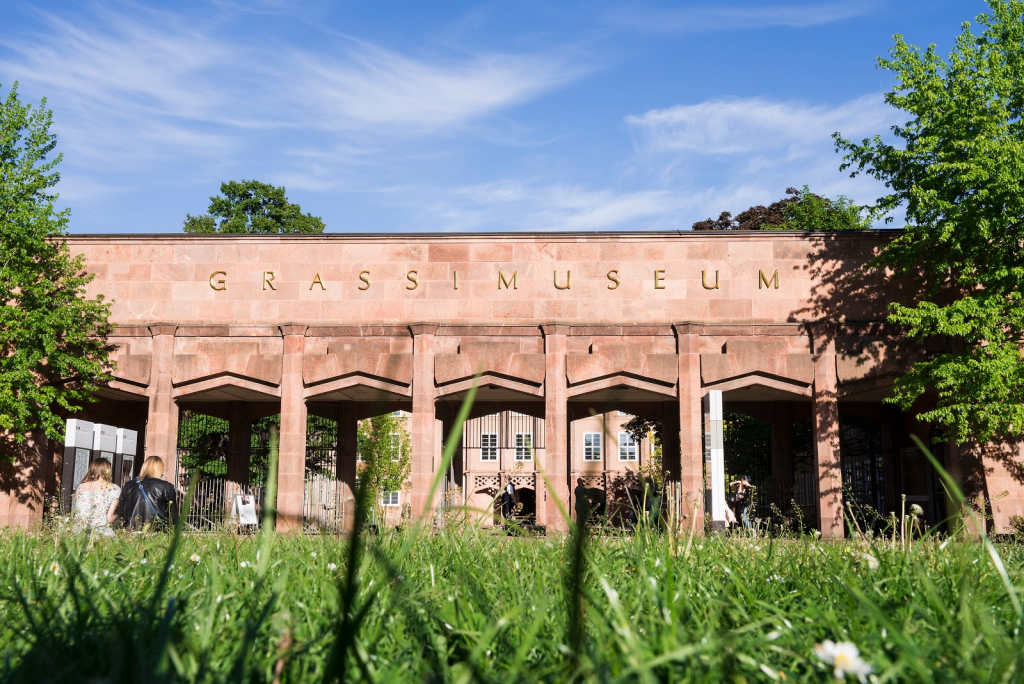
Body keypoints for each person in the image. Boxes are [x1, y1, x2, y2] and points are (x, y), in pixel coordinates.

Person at [117, 456, 177, 530]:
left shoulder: (129, 485)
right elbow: (172, 515)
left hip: (131, 531)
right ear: (160, 469)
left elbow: (120, 510)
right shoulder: (166, 487)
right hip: (156, 531)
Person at [71, 458, 121, 536]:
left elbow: (76, 510)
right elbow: (109, 518)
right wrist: (117, 516)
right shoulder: (114, 489)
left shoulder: (80, 487)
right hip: (100, 532)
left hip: (79, 532)